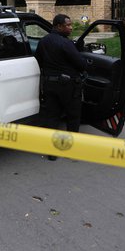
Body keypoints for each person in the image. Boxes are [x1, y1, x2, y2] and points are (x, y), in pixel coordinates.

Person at [34, 14, 87, 161]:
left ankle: (52, 153)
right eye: (68, 25)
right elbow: (81, 64)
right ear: (58, 26)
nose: (71, 27)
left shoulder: (43, 41)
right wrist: (80, 54)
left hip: (49, 85)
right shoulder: (65, 43)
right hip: (68, 86)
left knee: (52, 118)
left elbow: (39, 60)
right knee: (73, 117)